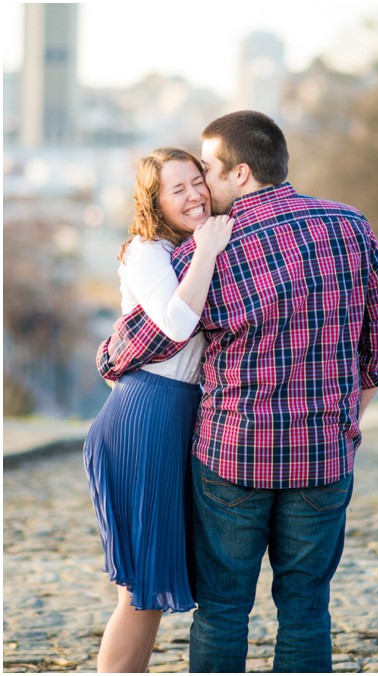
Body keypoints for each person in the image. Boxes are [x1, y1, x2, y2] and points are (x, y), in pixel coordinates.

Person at [95, 110, 378, 672]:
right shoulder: (352, 225)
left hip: (233, 456)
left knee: (223, 609)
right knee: (307, 609)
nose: (201, 186)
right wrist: (344, 422)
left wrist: (108, 354)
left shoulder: (202, 253)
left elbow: (147, 339)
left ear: (238, 173)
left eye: (205, 170)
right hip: (324, 456)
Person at [83, 147, 233, 672]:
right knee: (140, 592)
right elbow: (174, 324)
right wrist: (209, 248)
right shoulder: (145, 251)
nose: (194, 194)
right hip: (146, 412)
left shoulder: (188, 244)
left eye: (198, 181)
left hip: (178, 414)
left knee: (150, 589)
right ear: (154, 200)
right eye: (178, 189)